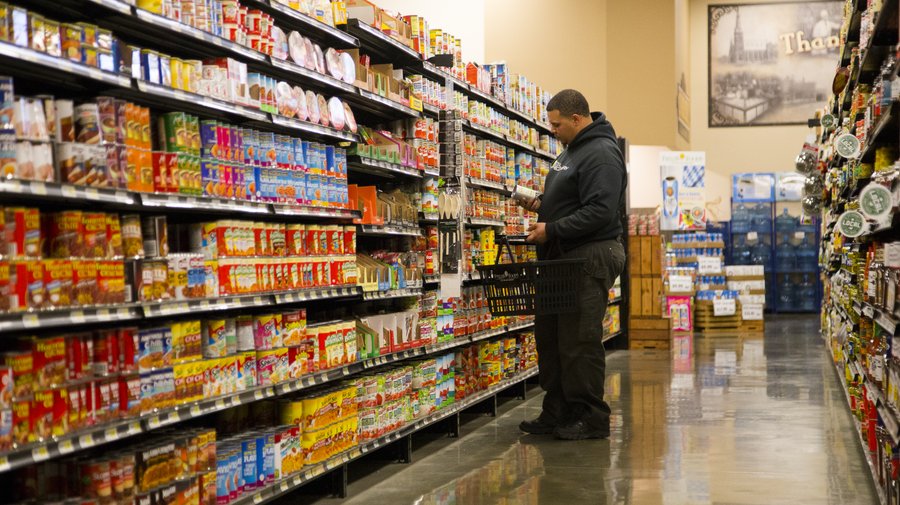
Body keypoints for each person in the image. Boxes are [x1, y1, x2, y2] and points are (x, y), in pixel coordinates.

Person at [519, 89, 627, 440]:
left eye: (557, 124)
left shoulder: (601, 154)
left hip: (590, 255)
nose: (553, 131)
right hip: (564, 258)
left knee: (579, 339)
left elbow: (600, 211)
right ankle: (558, 409)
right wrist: (543, 205)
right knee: (550, 336)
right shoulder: (573, 151)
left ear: (577, 120)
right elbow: (575, 201)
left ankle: (590, 416)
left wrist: (552, 228)